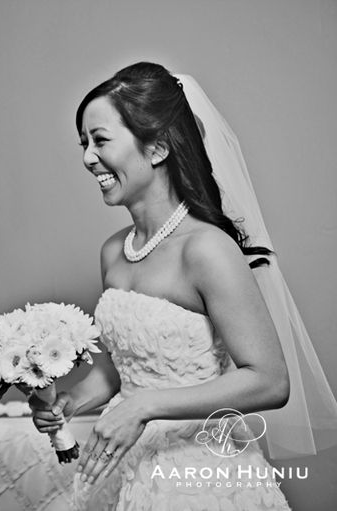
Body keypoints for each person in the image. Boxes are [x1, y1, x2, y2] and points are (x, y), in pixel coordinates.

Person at [29, 62, 337, 510]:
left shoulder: (206, 250)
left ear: (156, 148)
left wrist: (144, 406)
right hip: (129, 467)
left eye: (100, 140)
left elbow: (270, 381)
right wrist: (71, 401)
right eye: (83, 143)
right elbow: (122, 367)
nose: (88, 158)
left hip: (201, 474)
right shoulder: (113, 251)